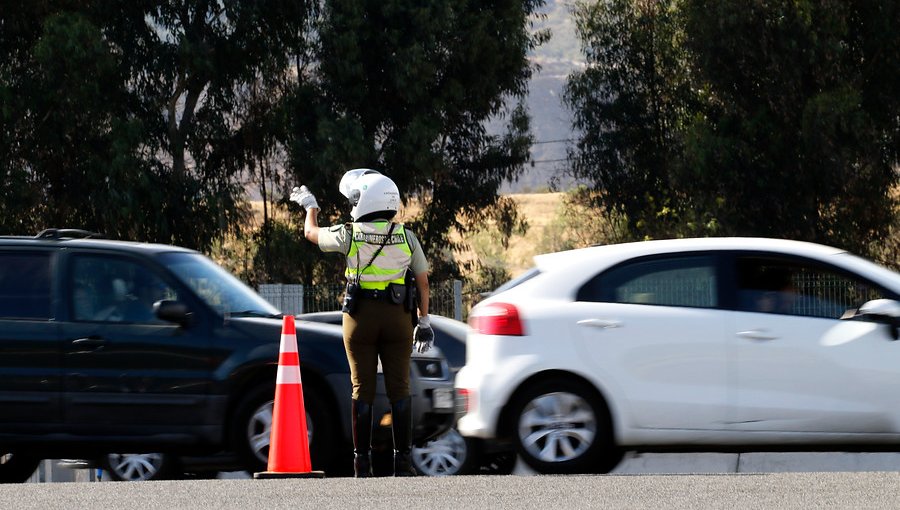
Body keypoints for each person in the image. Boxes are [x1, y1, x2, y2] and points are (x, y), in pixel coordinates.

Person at [291, 169, 433, 477]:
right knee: (400, 388)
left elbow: (311, 234)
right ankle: (404, 463)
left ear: (365, 200)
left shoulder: (350, 233)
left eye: (355, 198)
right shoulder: (406, 237)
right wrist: (424, 321)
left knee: (362, 387)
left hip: (359, 318)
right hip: (399, 319)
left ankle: (362, 462)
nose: (353, 203)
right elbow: (423, 282)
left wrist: (310, 207)